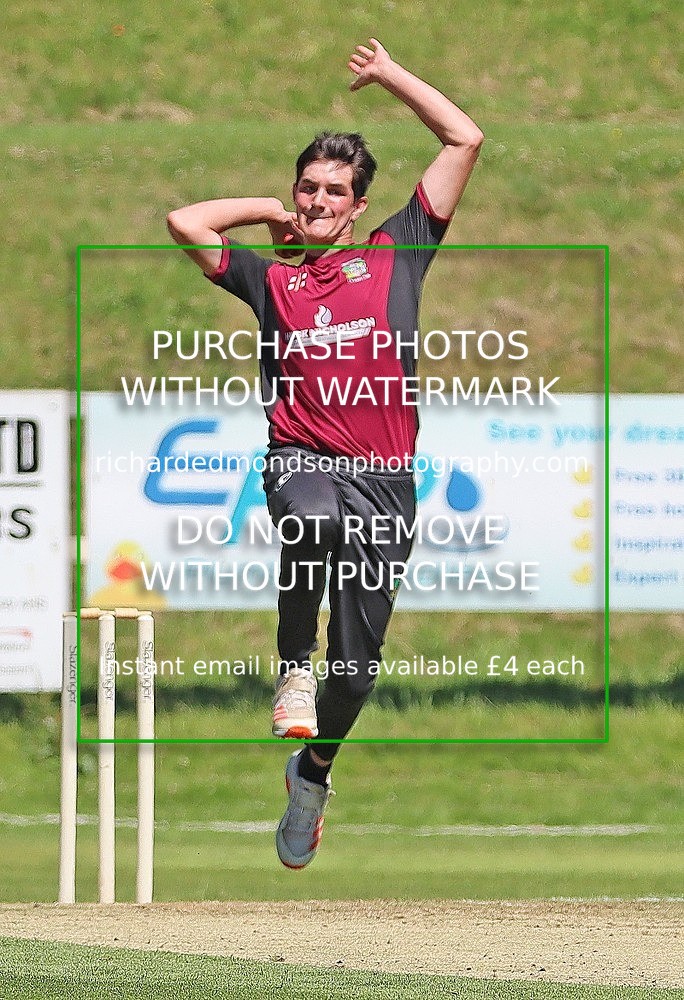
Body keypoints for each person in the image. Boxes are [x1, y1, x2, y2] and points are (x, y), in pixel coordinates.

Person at [167, 38, 483, 869]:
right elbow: (185, 223)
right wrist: (267, 214)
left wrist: (389, 77)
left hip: (386, 485)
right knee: (307, 520)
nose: (316, 199)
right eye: (307, 187)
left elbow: (465, 140)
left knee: (358, 670)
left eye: (332, 191)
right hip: (301, 458)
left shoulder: (397, 254)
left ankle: (312, 774)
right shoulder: (271, 282)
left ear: (358, 204)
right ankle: (290, 669)